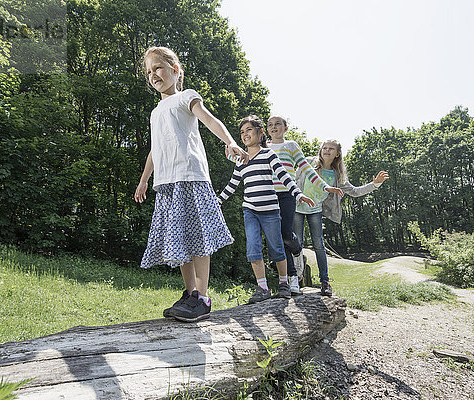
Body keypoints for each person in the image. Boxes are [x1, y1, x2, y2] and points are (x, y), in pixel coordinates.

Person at [134, 46, 248, 322]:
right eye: (149, 72)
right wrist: (144, 180)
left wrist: (230, 141)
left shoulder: (186, 97)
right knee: (178, 241)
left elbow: (210, 119)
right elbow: (154, 149)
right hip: (167, 183)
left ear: (175, 70)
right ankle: (189, 293)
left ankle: (203, 296)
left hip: (191, 176)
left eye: (158, 68)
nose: (153, 75)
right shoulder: (155, 111)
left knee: (197, 238)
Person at [218, 115, 316, 303]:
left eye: (249, 130)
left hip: (271, 210)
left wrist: (298, 194)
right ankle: (263, 288)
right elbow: (233, 184)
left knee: (277, 249)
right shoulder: (241, 160)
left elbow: (284, 177)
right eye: (242, 132)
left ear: (260, 132)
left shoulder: (269, 154)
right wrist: (218, 201)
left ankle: (283, 284)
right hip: (250, 211)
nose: (245, 134)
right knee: (253, 248)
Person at [293, 140, 389, 296]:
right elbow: (292, 178)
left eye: (331, 149)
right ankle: (296, 278)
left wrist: (375, 184)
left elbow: (355, 191)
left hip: (315, 210)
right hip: (297, 207)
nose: (327, 150)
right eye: (324, 147)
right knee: (297, 244)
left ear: (337, 154)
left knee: (319, 245)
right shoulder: (309, 162)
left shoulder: (337, 175)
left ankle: (325, 282)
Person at [266, 116, 343, 295]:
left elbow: (307, 169)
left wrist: (325, 186)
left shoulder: (291, 145)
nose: (273, 127)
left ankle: (298, 250)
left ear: (286, 128)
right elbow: (249, 162)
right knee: (277, 238)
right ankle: (291, 280)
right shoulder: (265, 147)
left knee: (287, 235)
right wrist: (232, 155)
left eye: (278, 124)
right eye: (270, 125)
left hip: (288, 195)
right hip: (269, 196)